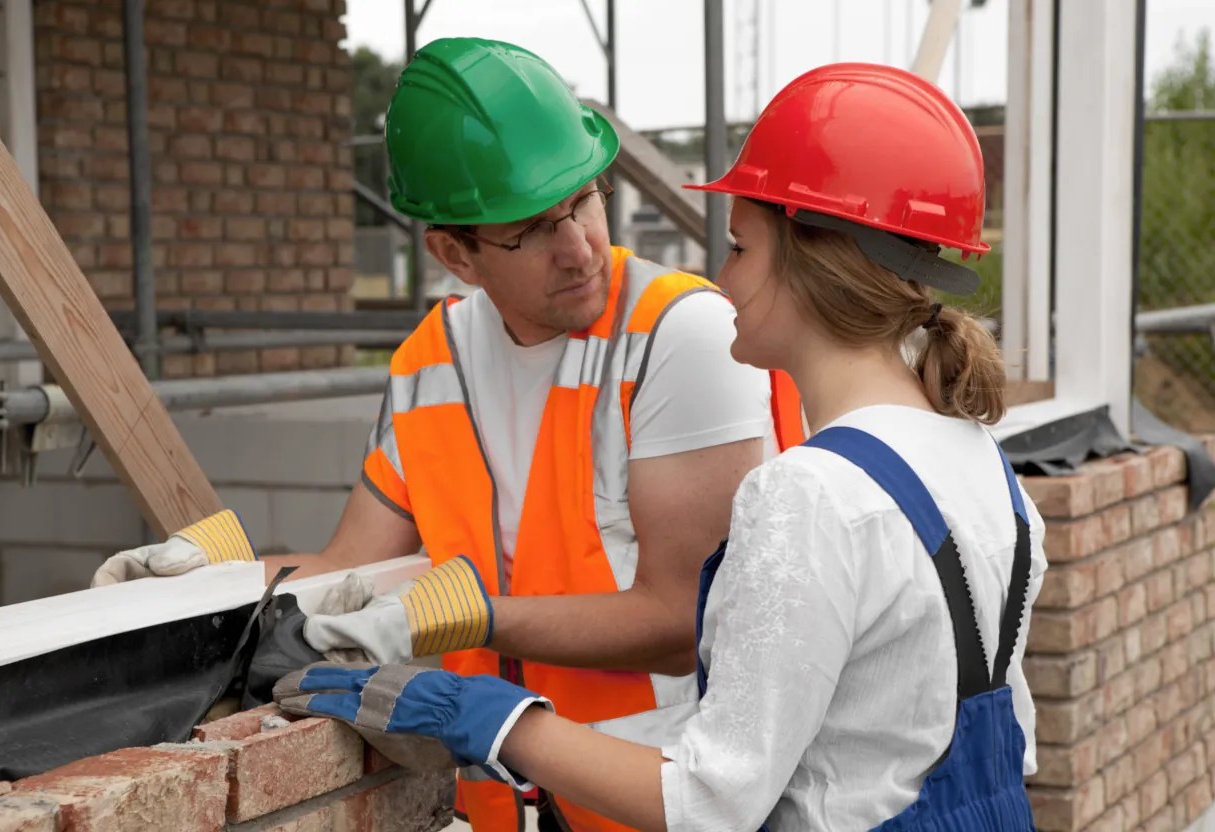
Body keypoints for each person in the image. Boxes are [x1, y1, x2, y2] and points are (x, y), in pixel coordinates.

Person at [273, 62, 1049, 832]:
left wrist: (499, 719)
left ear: (812, 263)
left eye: (739, 248)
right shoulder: (981, 463)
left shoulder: (808, 496)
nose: (719, 276)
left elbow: (711, 802)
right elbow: (1002, 747)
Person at [91, 37, 804, 832]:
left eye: (584, 200)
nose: (578, 248)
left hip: (663, 801)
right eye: (530, 230)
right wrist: (209, 584)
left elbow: (682, 623)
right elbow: (345, 572)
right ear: (453, 252)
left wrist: (470, 615)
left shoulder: (679, 333)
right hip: (501, 804)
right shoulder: (432, 362)